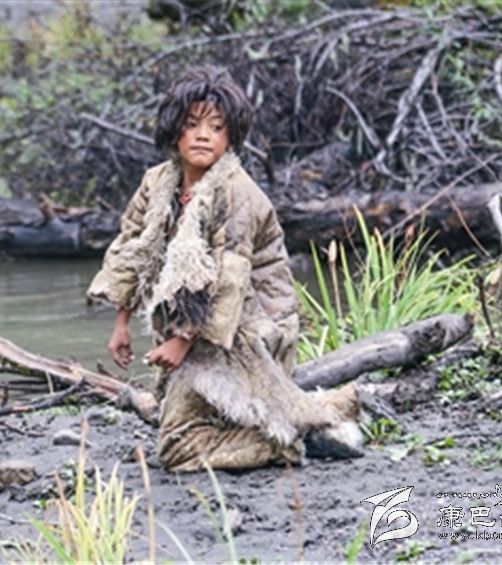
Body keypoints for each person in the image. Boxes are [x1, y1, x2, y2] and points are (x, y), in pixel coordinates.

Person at [87, 65, 364, 472]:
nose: (203, 135)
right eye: (192, 124)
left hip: (251, 330)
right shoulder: (157, 183)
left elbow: (227, 282)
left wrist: (182, 341)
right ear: (174, 131)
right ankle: (323, 411)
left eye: (216, 127)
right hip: (202, 323)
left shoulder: (237, 192)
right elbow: (132, 249)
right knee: (179, 419)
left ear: (230, 137)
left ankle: (289, 439)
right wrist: (122, 323)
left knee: (177, 450)